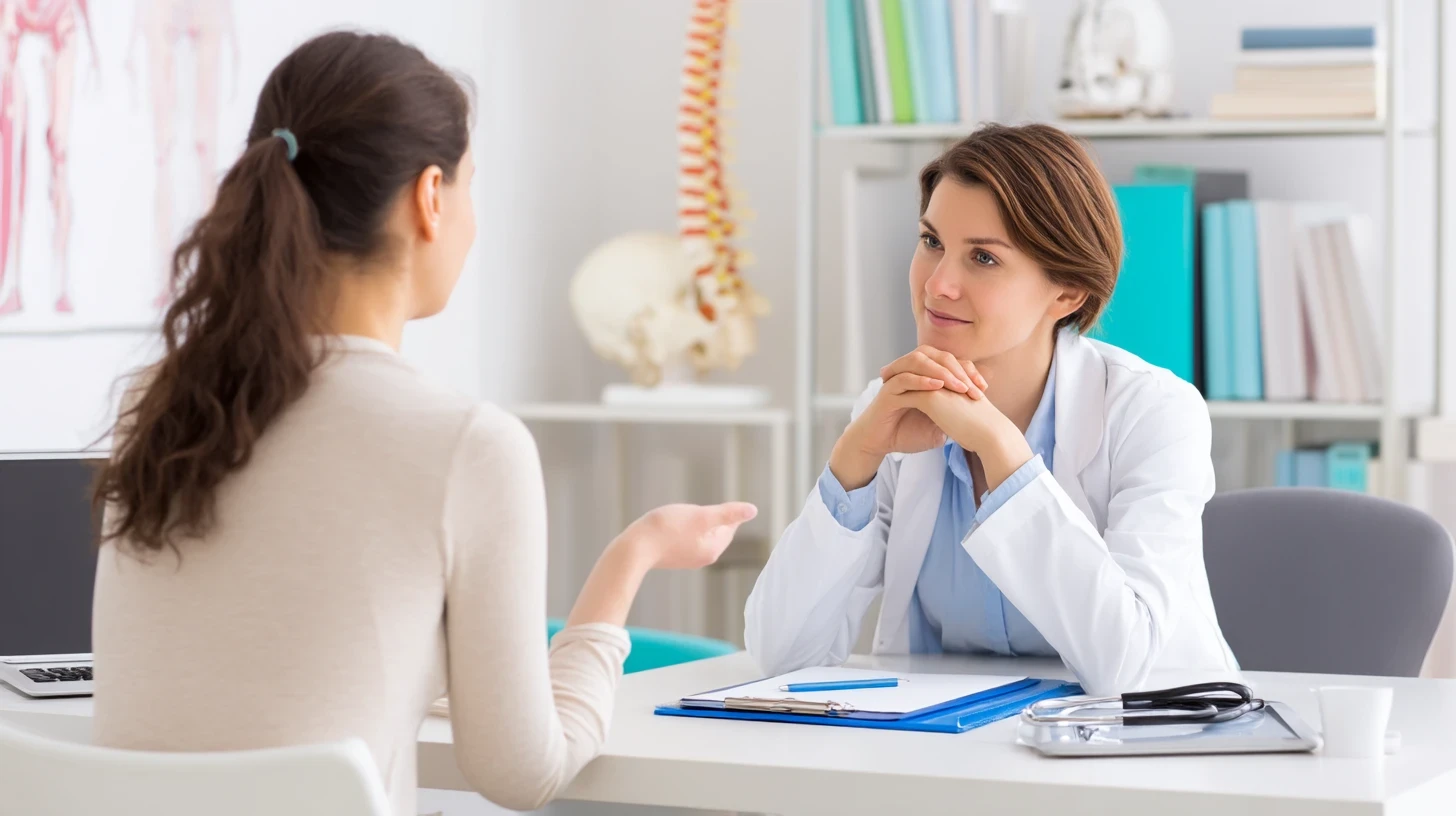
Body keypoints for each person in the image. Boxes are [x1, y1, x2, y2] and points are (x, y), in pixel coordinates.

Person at [89, 31, 756, 816]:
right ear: (429, 197)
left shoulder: (155, 404)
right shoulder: (467, 444)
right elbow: (523, 774)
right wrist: (633, 556)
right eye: (471, 186)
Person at [744, 124, 1236, 696]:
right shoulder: (896, 411)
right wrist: (853, 460)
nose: (939, 284)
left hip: (1141, 751)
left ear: (1067, 293)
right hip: (952, 753)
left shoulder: (1154, 412)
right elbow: (783, 657)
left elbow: (1122, 663)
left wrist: (1004, 455)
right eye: (932, 242)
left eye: (982, 257)